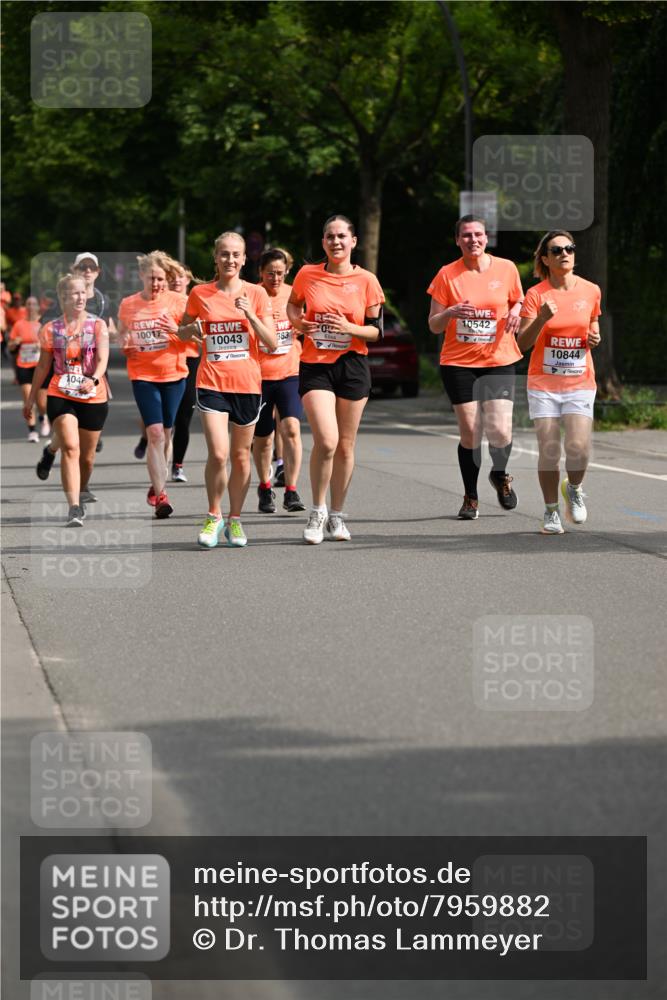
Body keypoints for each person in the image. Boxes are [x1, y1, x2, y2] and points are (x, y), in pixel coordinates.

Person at [287, 214, 384, 544]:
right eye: (330, 236)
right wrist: (299, 324)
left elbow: (376, 330)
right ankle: (318, 511)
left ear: (353, 241)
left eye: (342, 236)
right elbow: (292, 306)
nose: (336, 242)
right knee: (326, 441)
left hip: (353, 365)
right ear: (323, 241)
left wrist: (349, 328)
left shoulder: (367, 280)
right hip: (316, 365)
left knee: (345, 445)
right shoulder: (307, 275)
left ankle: (338, 516)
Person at [178, 231, 276, 548]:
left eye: (235, 255)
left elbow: (272, 342)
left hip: (247, 383)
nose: (230, 260)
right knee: (219, 454)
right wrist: (190, 330)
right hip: (211, 380)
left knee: (240, 456)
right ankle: (213, 515)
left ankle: (235, 519)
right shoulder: (200, 293)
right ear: (215, 257)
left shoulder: (257, 294)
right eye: (224, 254)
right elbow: (182, 331)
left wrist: (248, 313)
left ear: (245, 259)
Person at [427, 215, 524, 519]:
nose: (473, 240)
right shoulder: (447, 275)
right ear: (458, 240)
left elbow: (518, 300)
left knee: (500, 430)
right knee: (470, 431)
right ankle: (471, 496)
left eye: (478, 234)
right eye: (466, 235)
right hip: (458, 362)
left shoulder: (506, 268)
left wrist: (518, 310)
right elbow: (433, 325)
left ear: (487, 238)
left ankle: (500, 474)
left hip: (498, 359)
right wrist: (452, 312)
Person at [518, 231, 601, 534]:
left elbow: (592, 323)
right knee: (550, 450)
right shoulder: (535, 295)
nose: (565, 253)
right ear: (545, 259)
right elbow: (522, 344)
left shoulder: (591, 290)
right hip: (543, 384)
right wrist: (540, 319)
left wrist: (595, 336)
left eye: (570, 248)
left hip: (579, 380)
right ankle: (551, 511)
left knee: (578, 447)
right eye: (557, 250)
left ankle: (574, 488)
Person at [24, 274, 109, 526]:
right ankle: (73, 507)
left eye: (83, 293)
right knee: (71, 447)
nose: (80, 297)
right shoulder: (50, 330)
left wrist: (92, 379)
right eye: (74, 293)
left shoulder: (97, 326)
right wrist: (30, 399)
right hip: (60, 392)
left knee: (87, 457)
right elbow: (42, 366)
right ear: (62, 297)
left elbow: (103, 360)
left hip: (93, 394)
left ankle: (81, 489)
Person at [118, 251, 188, 519]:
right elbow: (123, 335)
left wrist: (175, 329)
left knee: (167, 434)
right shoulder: (128, 304)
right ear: (141, 277)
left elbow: (194, 341)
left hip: (174, 374)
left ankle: (158, 480)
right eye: (152, 278)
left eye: (161, 279)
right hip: (143, 376)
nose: (157, 283)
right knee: (156, 433)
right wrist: (125, 345)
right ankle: (161, 496)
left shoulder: (179, 301)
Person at [253, 248, 305, 514]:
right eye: (270, 273)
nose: (275, 278)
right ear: (261, 273)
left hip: (289, 372)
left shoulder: (294, 293)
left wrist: (302, 326)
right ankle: (264, 487)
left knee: (292, 430)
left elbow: (305, 324)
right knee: (263, 439)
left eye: (280, 273)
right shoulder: (251, 294)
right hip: (258, 376)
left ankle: (292, 490)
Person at [167, 262, 198, 482]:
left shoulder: (194, 303)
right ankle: (159, 463)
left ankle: (177, 465)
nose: (177, 280)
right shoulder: (162, 303)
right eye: (173, 277)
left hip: (190, 360)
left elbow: (202, 337)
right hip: (166, 360)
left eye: (181, 277)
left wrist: (181, 332)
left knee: (184, 416)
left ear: (188, 280)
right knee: (166, 419)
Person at [8, 295, 50, 441]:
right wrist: (15, 342)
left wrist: (42, 345)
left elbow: (52, 344)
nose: (31, 307)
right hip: (24, 365)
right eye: (28, 304)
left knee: (42, 402)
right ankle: (32, 431)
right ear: (25, 307)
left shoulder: (43, 324)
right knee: (27, 398)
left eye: (34, 304)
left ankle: (43, 416)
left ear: (39, 306)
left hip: (41, 366)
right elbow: (11, 346)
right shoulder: (19, 324)